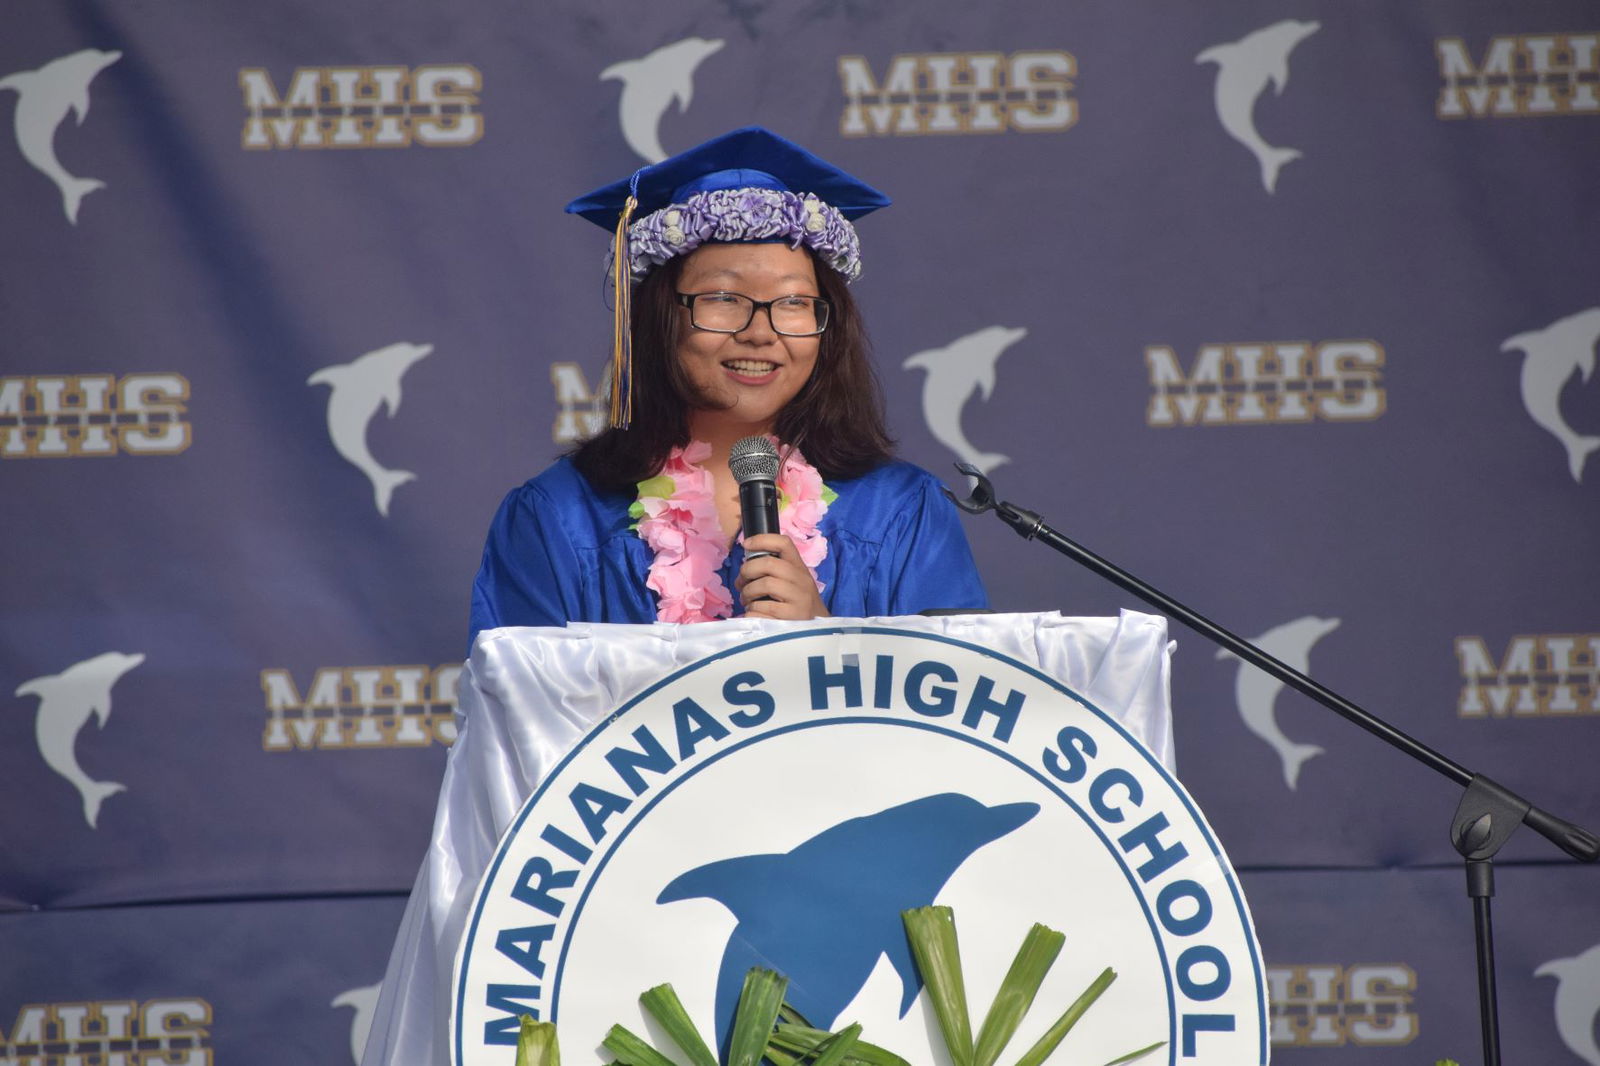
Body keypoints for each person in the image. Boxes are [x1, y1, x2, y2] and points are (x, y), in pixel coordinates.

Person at [469, 127, 986, 641]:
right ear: (656, 321)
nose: (760, 333)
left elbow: (957, 707)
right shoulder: (560, 517)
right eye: (723, 298)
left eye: (793, 302)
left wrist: (827, 637)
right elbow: (520, 709)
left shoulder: (901, 511)